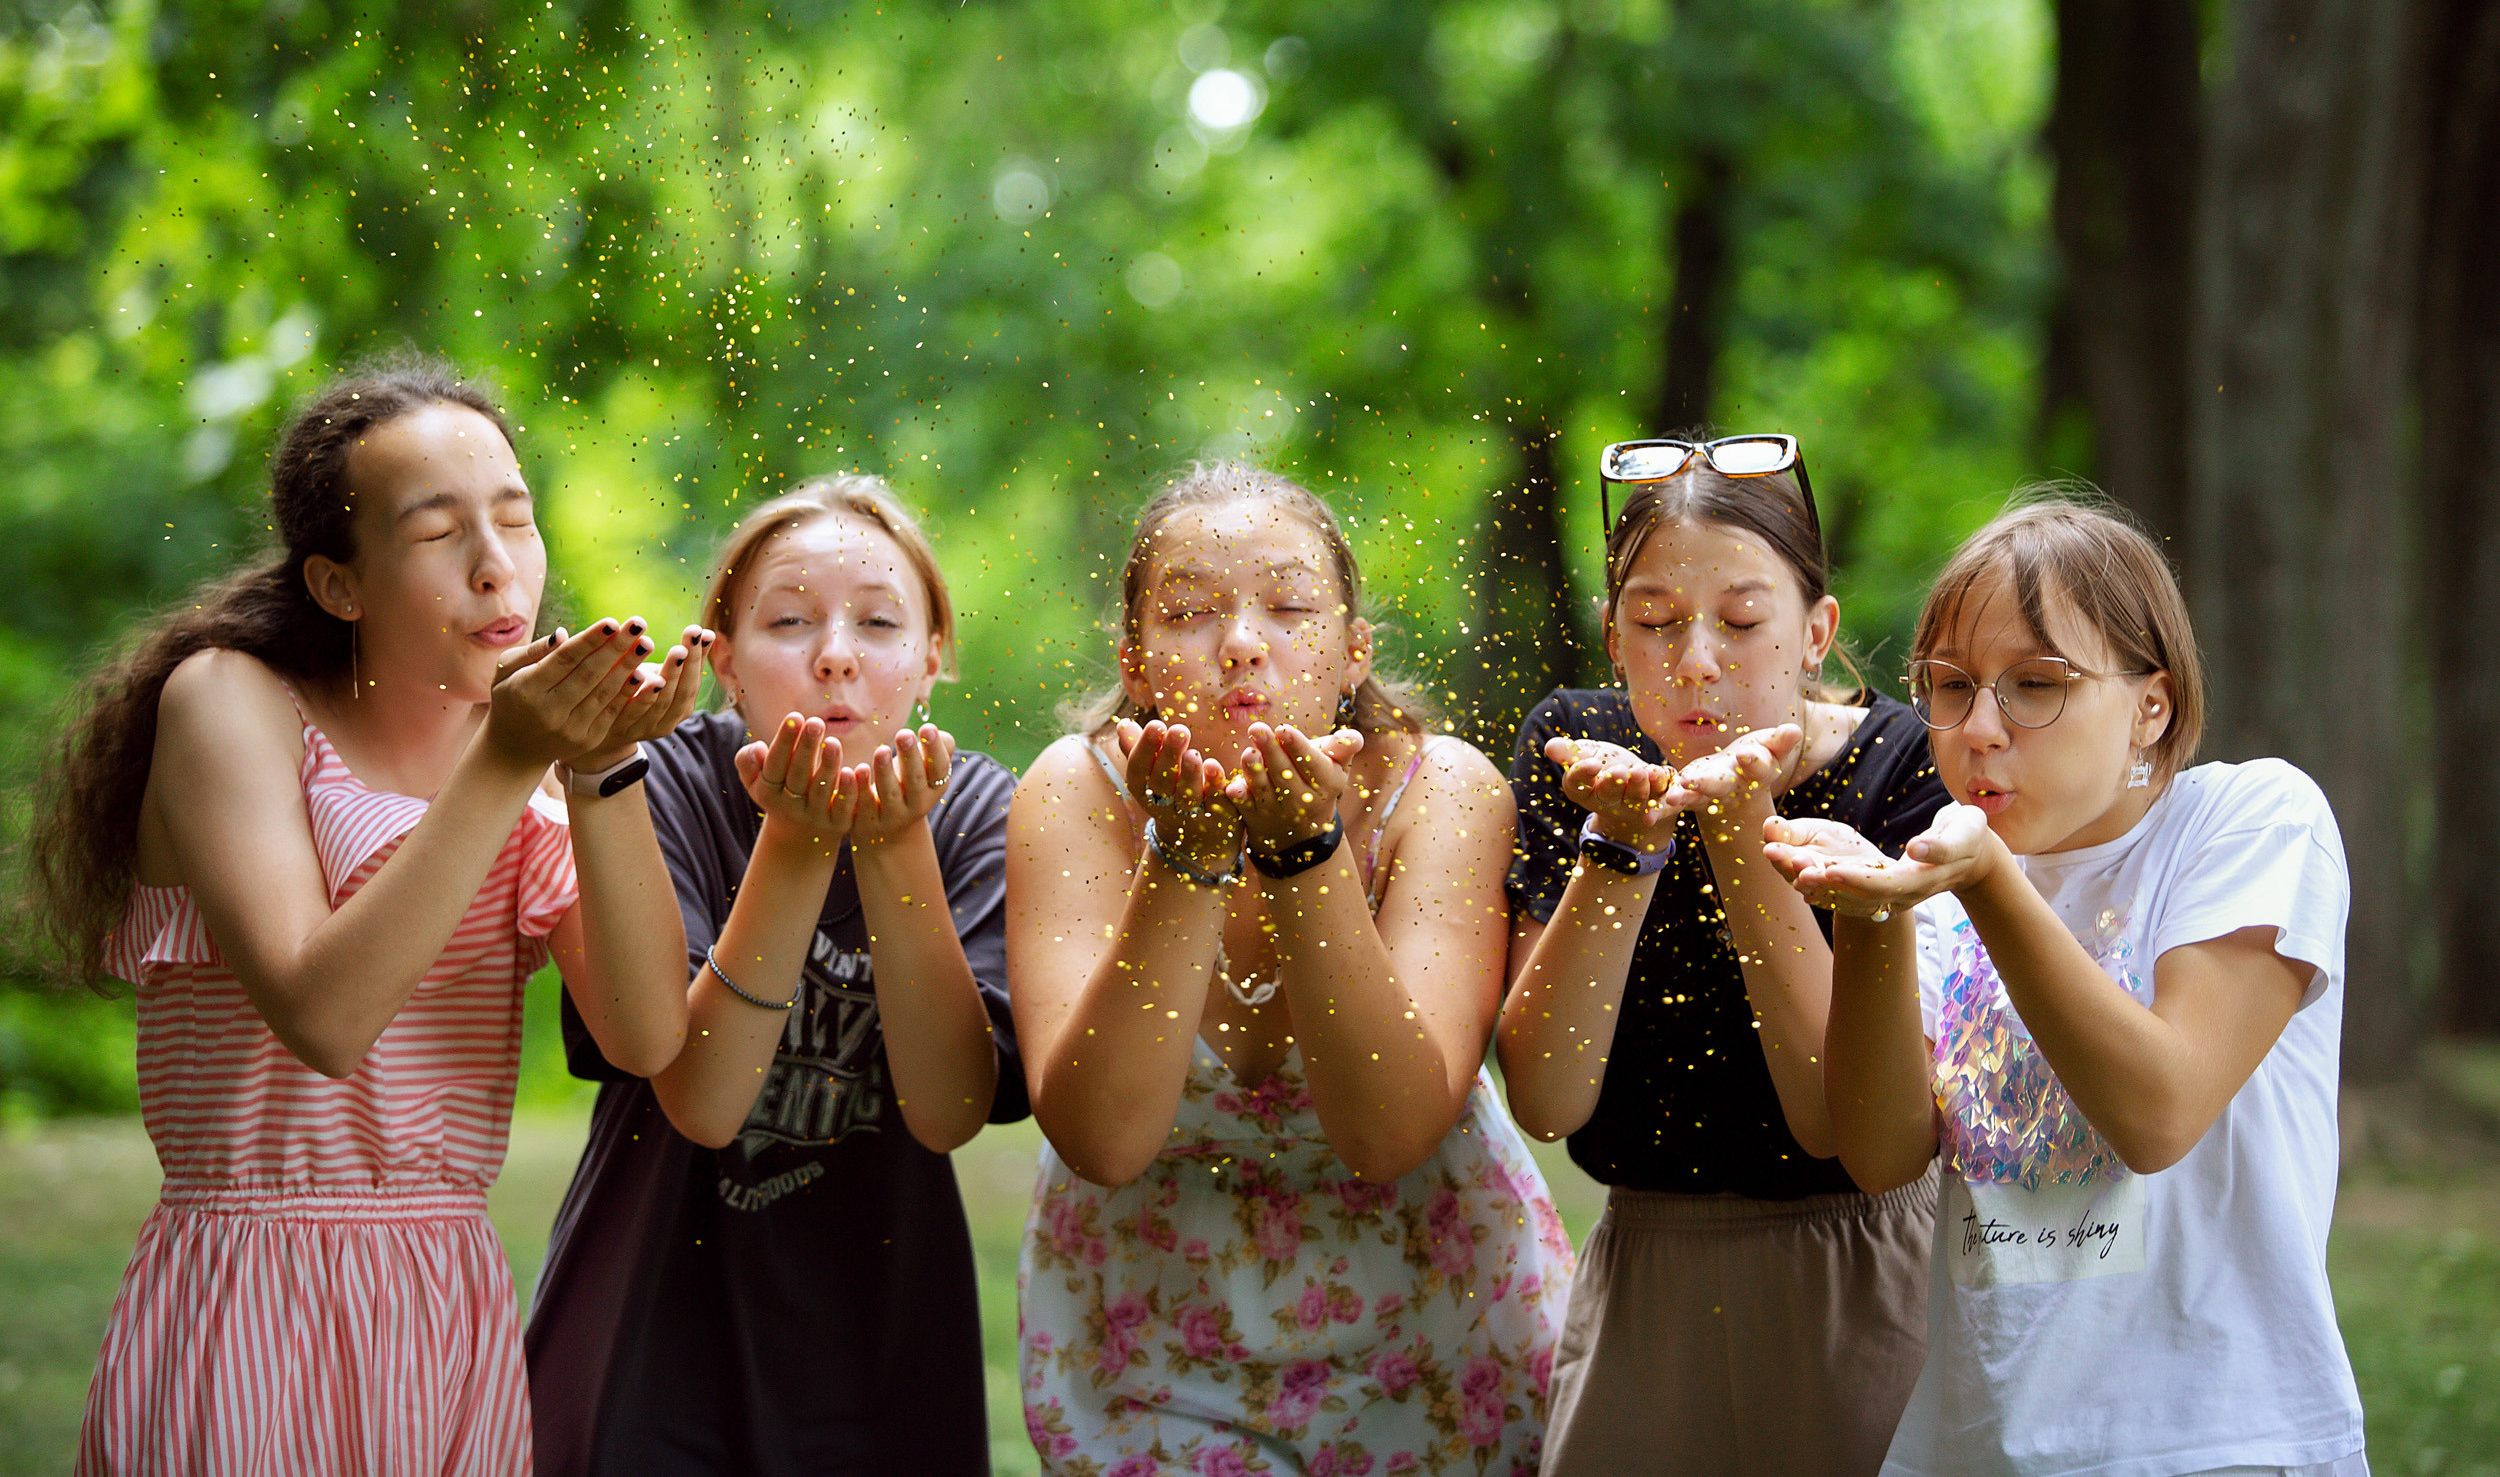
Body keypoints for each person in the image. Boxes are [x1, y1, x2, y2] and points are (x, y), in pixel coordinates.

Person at [26, 359, 704, 1475]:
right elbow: (322, 1014)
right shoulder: (230, 701)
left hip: (448, 1301)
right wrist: (513, 755)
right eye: (439, 533)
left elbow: (645, 1037)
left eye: (515, 519)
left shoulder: (527, 761)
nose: (499, 566)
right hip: (249, 1289)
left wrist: (604, 763)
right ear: (340, 585)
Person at [1764, 493, 2367, 1477]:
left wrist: (1985, 881)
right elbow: (1878, 1155)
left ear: (2151, 702)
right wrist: (1871, 912)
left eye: (2034, 684)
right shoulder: (1946, 881)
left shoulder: (2249, 820)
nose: (1979, 726)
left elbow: (2159, 1110)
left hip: (2219, 1440)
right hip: (1973, 1445)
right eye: (1950, 685)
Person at [1010, 462, 1571, 1477]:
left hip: (1442, 1330)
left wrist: (1304, 853)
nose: (1237, 640)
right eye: (1187, 610)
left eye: (1289, 604)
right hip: (1151, 1337)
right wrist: (1184, 851)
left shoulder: (1444, 791)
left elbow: (1390, 1129)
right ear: (1134, 660)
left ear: (1352, 649)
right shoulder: (1073, 794)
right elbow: (1100, 1135)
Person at [526, 474, 1025, 1476]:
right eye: (788, 619)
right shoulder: (650, 773)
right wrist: (796, 839)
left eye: (880, 621)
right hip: (649, 1338)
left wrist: (892, 846)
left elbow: (949, 1107)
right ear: (723, 661)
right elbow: (701, 1096)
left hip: (886, 1345)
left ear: (932, 657)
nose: (835, 652)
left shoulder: (977, 813)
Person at [1495, 433, 1950, 1475]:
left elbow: (1837, 1119)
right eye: (1653, 622)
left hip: (1864, 1264)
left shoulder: (1907, 767)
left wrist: (1738, 833)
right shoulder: (1577, 750)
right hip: (1643, 1268)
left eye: (1743, 620)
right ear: (1613, 637)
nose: (1695, 658)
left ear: (1815, 632)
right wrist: (1623, 848)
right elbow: (1548, 1097)